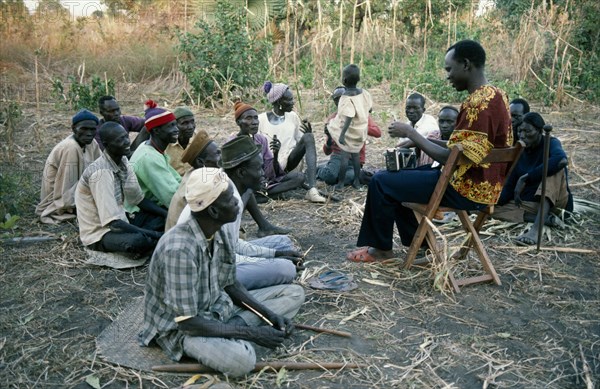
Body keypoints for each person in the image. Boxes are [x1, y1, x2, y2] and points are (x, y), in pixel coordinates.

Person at [346, 39, 512, 262]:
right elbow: (461, 148)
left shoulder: (477, 103)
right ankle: (423, 247)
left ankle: (381, 250)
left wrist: (411, 133)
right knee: (398, 179)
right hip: (485, 186)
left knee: (381, 182)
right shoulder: (497, 95)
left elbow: (452, 158)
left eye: (449, 69)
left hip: (465, 188)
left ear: (465, 64)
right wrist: (420, 141)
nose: (448, 76)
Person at [140, 167, 305, 377]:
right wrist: (252, 333)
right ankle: (232, 337)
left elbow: (230, 284)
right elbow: (188, 322)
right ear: (214, 211)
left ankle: (229, 333)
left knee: (294, 293)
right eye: (230, 199)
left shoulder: (220, 229)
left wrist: (269, 315)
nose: (237, 201)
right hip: (185, 330)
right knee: (242, 362)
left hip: (217, 309)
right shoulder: (179, 249)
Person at [176, 136, 302, 290]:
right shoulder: (226, 200)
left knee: (284, 243)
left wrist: (276, 254)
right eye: (259, 168)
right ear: (241, 173)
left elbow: (233, 244)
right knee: (286, 268)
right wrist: (272, 259)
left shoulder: (228, 186)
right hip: (208, 270)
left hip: (223, 254)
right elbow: (228, 258)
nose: (263, 173)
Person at [75, 122, 165, 254]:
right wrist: (154, 234)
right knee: (138, 241)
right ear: (106, 144)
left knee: (161, 214)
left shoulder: (123, 160)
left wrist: (168, 214)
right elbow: (114, 223)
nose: (127, 142)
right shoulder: (101, 173)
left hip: (122, 219)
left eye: (126, 137)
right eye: (120, 140)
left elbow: (138, 200)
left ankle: (154, 240)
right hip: (100, 233)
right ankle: (155, 240)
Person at [495, 112, 573, 245]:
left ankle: (536, 230)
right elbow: (510, 185)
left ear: (540, 131)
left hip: (556, 202)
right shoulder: (520, 150)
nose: (523, 135)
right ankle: (542, 219)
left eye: (528, 131)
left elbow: (561, 160)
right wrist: (493, 201)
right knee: (488, 209)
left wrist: (527, 178)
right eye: (520, 131)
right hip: (530, 205)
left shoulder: (550, 142)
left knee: (554, 169)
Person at [232, 101, 294, 236]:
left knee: (299, 178)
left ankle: (262, 196)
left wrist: (276, 154)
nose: (254, 122)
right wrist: (256, 182)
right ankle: (263, 221)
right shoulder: (232, 143)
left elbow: (269, 170)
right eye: (248, 118)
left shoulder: (261, 140)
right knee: (249, 190)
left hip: (262, 183)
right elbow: (235, 174)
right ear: (238, 123)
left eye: (255, 118)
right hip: (242, 186)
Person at [258, 81, 326, 203]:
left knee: (309, 137)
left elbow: (301, 141)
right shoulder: (260, 119)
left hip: (289, 162)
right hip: (270, 167)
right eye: (289, 100)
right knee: (298, 178)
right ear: (279, 102)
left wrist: (307, 135)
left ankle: (312, 190)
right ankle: (275, 190)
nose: (293, 102)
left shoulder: (293, 117)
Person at [35, 109, 101, 224]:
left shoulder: (92, 143)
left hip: (77, 192)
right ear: (74, 129)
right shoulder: (70, 147)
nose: (89, 133)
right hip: (58, 199)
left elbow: (101, 169)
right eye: (84, 129)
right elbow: (65, 191)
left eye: (92, 129)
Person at [128, 100, 182, 229]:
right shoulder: (148, 157)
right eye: (171, 126)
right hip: (138, 214)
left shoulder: (152, 149)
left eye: (175, 125)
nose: (176, 130)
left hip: (150, 207)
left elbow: (176, 180)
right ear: (156, 131)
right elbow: (171, 196)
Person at [318, 86, 381, 186]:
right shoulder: (333, 119)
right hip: (338, 157)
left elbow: (378, 133)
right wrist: (329, 137)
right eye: (337, 100)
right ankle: (320, 169)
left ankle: (329, 169)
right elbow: (327, 151)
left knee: (347, 178)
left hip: (355, 160)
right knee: (330, 177)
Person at [325, 64, 373, 189]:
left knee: (345, 157)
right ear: (358, 79)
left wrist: (342, 134)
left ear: (344, 80)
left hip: (349, 131)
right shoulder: (365, 93)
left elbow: (349, 117)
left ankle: (340, 183)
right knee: (356, 157)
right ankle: (357, 182)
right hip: (361, 130)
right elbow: (370, 109)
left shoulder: (346, 98)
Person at [165, 129, 217, 231]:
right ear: (200, 162)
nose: (221, 158)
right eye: (217, 154)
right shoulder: (200, 186)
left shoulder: (194, 174)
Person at [165, 106, 196, 175]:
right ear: (174, 125)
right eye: (185, 123)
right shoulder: (166, 144)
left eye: (192, 122)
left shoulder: (198, 140)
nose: (191, 127)